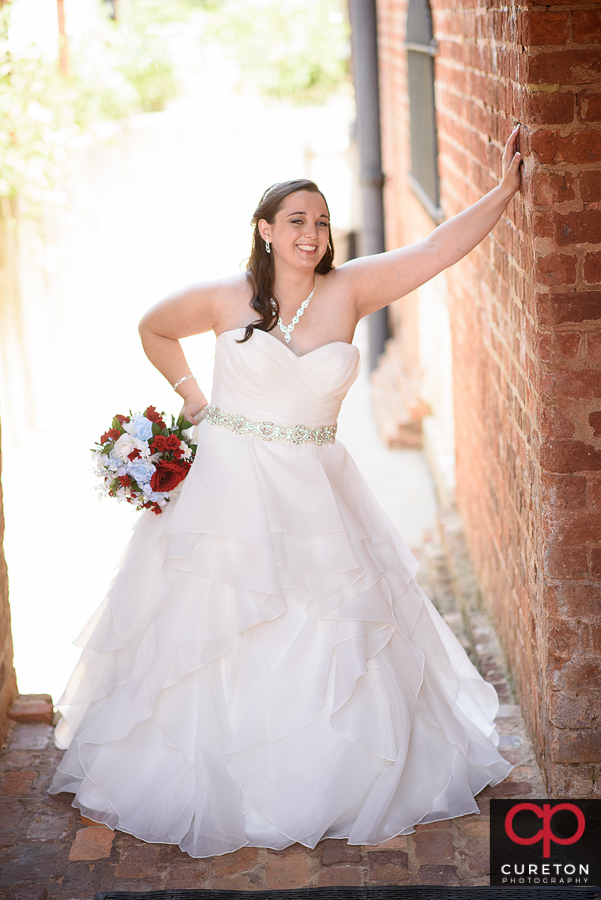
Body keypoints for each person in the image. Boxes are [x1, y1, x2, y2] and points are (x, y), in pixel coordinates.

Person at [49, 126, 522, 858]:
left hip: (319, 488)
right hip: (231, 489)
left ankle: (329, 777)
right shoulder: (225, 294)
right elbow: (152, 328)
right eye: (296, 220)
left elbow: (433, 252)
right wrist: (196, 403)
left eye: (322, 220)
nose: (312, 232)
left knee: (331, 625)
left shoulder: (353, 287)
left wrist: (503, 190)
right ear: (265, 231)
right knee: (225, 625)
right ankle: (227, 779)